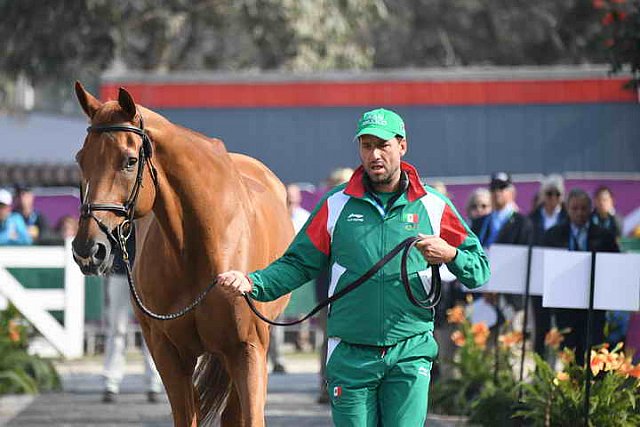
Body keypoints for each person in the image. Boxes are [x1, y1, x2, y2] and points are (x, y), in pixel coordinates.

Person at [217, 108, 489, 425]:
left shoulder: (433, 205)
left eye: (382, 145)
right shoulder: (336, 204)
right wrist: (253, 283)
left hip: (410, 350)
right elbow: (298, 263)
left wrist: (452, 255)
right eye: (366, 145)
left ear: (402, 146)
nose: (374, 155)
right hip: (350, 354)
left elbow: (479, 269)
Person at [542, 189, 619, 364]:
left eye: (584, 208)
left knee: (594, 354)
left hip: (593, 307)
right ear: (567, 209)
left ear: (590, 209)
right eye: (575, 208)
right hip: (565, 307)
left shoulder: (604, 236)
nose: (579, 213)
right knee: (567, 357)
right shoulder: (552, 235)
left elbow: (614, 268)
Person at [102, 228, 163, 403]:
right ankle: (111, 380)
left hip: (147, 271)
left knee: (151, 329)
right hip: (121, 270)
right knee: (117, 328)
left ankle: (154, 381)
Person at [471, 173, 533, 327]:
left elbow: (521, 261)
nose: (497, 192)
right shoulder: (480, 222)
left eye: (502, 187)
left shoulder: (523, 223)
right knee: (479, 349)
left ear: (512, 192)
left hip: (510, 299)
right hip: (481, 296)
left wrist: (496, 287)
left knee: (510, 346)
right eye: (493, 188)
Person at [528, 175, 568, 356]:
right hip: (539, 279)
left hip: (562, 279)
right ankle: (539, 370)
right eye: (549, 193)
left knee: (563, 327)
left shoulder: (567, 217)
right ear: (543, 195)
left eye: (557, 194)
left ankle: (561, 372)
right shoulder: (532, 218)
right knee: (540, 328)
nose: (553, 198)